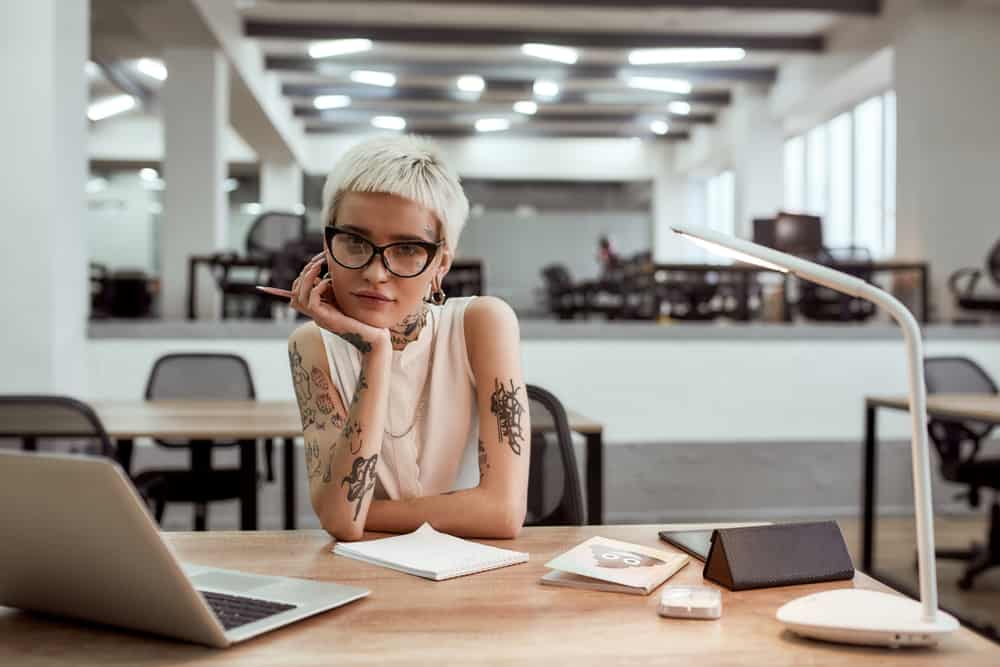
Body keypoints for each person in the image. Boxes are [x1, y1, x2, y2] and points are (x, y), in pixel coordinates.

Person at [285, 135, 530, 541]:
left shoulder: (483, 323)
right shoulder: (312, 346)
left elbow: (502, 514)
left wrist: (362, 512)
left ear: (440, 264)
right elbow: (342, 524)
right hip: (358, 570)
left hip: (473, 568)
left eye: (407, 249)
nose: (375, 273)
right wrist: (376, 353)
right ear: (327, 246)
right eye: (354, 241)